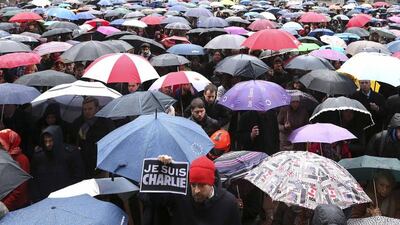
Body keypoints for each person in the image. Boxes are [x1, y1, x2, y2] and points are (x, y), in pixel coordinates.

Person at [144, 155, 242, 225]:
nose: (196, 191)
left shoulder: (229, 202)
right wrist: (160, 170)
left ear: (212, 182)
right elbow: (156, 200)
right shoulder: (180, 194)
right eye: (193, 185)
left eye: (202, 185)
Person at [31, 125, 85, 202]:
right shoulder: (39, 156)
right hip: (44, 198)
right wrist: (36, 198)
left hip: (66, 197)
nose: (48, 144)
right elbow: (34, 179)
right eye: (45, 141)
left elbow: (78, 176)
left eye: (50, 141)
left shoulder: (70, 154)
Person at [71, 97, 115, 178]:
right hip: (82, 165)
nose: (87, 111)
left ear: (97, 108)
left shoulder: (105, 123)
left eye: (90, 109)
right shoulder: (78, 123)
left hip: (100, 166)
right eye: (85, 109)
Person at [0, 129, 30, 211]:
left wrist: (5, 206)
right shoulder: (4, 156)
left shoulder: (21, 160)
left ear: (10, 142)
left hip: (16, 207)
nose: (0, 147)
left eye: (2, 144)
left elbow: (20, 189)